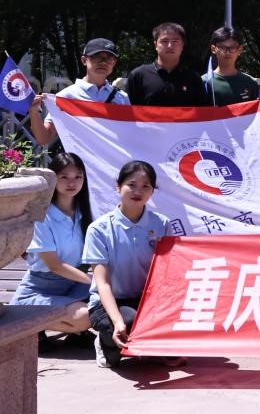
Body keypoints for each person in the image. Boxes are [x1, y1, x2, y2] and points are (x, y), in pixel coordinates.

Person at [83, 161, 184, 369]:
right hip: (110, 303)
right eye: (131, 185)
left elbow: (167, 273)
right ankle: (104, 343)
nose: (138, 191)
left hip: (147, 300)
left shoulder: (161, 224)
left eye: (146, 186)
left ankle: (148, 347)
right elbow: (103, 284)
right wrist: (117, 321)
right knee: (129, 323)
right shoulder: (99, 229)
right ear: (118, 186)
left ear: (153, 191)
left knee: (178, 325)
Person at [11, 152, 93, 345]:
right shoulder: (43, 216)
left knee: (113, 301)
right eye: (64, 177)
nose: (72, 183)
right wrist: (95, 282)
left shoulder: (84, 213)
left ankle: (74, 330)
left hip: (73, 286)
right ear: (53, 179)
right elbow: (55, 265)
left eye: (78, 177)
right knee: (87, 316)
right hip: (40, 290)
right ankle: (32, 327)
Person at [29, 38, 130, 147]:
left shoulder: (123, 98)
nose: (103, 62)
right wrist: (34, 112)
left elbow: (131, 136)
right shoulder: (66, 96)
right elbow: (44, 138)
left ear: (114, 63)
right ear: (84, 60)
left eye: (109, 58)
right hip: (78, 158)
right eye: (97, 57)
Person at [126, 22, 208, 107]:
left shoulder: (193, 79)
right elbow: (128, 111)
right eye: (164, 41)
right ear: (155, 45)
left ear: (182, 45)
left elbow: (202, 112)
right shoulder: (138, 76)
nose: (170, 46)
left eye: (175, 41)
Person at [202, 25, 258, 105]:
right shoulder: (204, 82)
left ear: (240, 50)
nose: (227, 52)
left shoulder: (250, 82)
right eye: (222, 47)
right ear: (213, 49)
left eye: (232, 47)